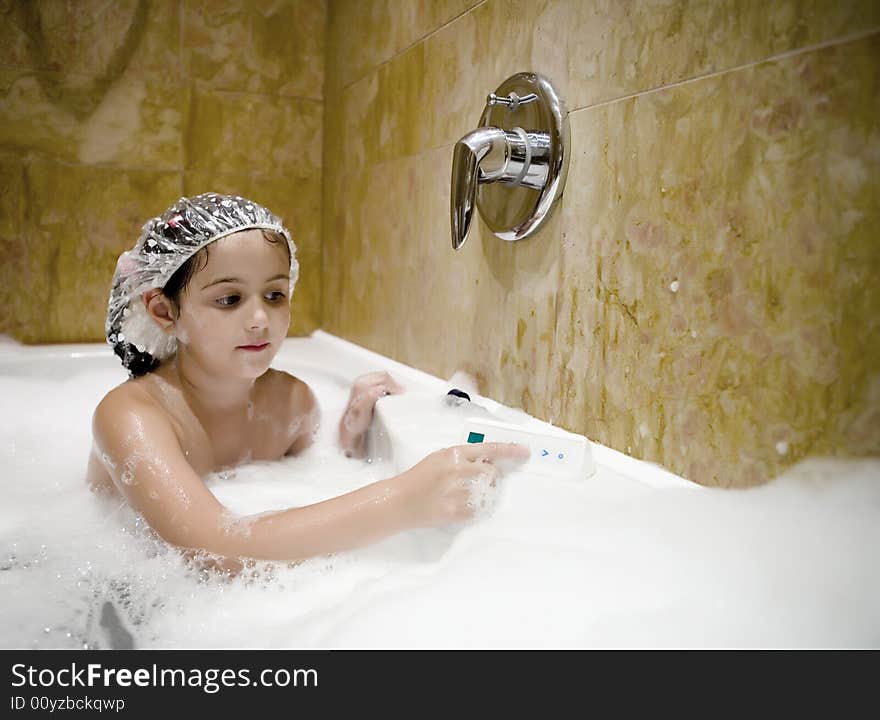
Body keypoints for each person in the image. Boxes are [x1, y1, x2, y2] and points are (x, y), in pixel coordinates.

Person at [87, 193, 528, 569]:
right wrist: (401, 501)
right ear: (165, 312)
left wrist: (352, 432)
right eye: (229, 299)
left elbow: (320, 468)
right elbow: (212, 550)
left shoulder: (290, 402)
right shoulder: (131, 416)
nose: (260, 319)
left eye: (275, 295)